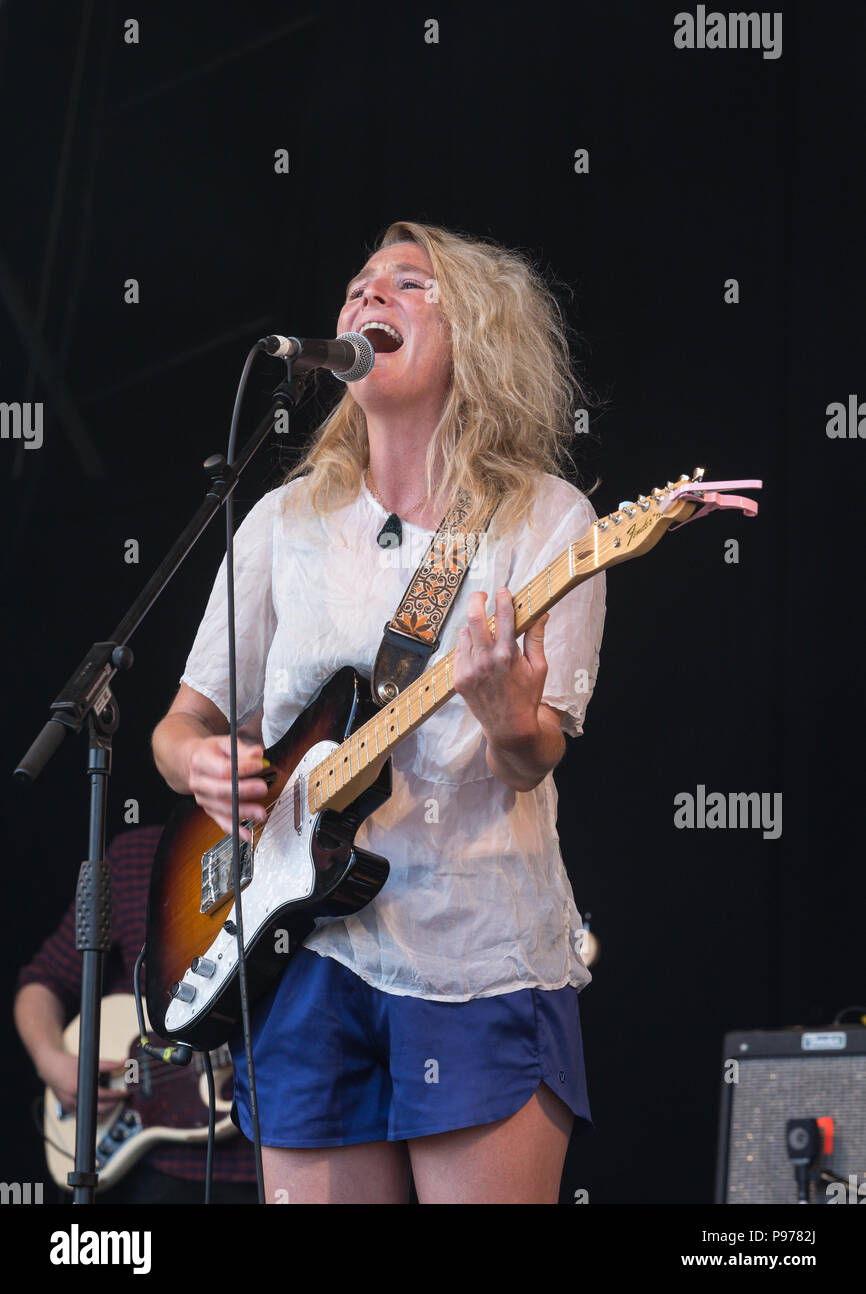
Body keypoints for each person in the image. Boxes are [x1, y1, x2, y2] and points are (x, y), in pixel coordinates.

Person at [151, 220, 606, 1205]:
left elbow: (532, 759)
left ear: (480, 332)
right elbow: (177, 724)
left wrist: (504, 717)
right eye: (358, 285)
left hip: (471, 952)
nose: (366, 298)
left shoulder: (545, 520)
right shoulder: (282, 522)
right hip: (302, 950)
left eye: (408, 284)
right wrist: (198, 765)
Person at [14, 823, 258, 1203]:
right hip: (145, 1170)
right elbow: (43, 981)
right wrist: (52, 1061)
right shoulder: (133, 855)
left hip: (262, 1163)